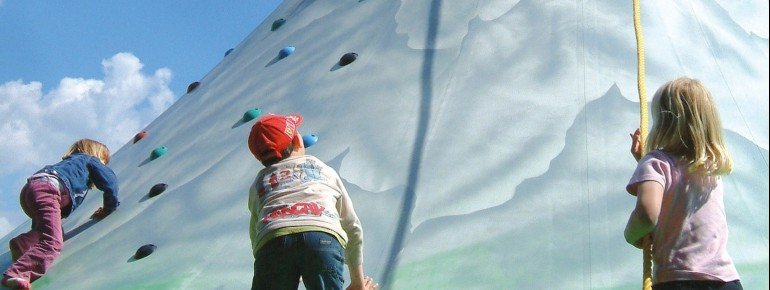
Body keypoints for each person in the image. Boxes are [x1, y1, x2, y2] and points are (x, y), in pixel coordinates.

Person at [624, 77, 742, 290]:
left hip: (678, 280)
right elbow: (679, 191)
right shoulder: (711, 167)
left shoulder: (656, 163)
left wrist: (631, 234)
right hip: (725, 281)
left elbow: (647, 215)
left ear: (663, 123)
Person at [247, 114, 378, 290]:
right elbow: (352, 226)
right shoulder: (321, 168)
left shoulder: (258, 183)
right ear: (298, 142)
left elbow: (256, 236)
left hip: (272, 240)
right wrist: (358, 283)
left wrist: (288, 263)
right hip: (321, 236)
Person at [2, 139, 119, 290]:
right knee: (53, 241)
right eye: (104, 161)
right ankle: (18, 273)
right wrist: (109, 207)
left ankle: (23, 243)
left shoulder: (68, 164)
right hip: (49, 190)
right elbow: (111, 182)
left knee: (49, 231)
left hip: (30, 190)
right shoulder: (90, 160)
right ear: (97, 155)